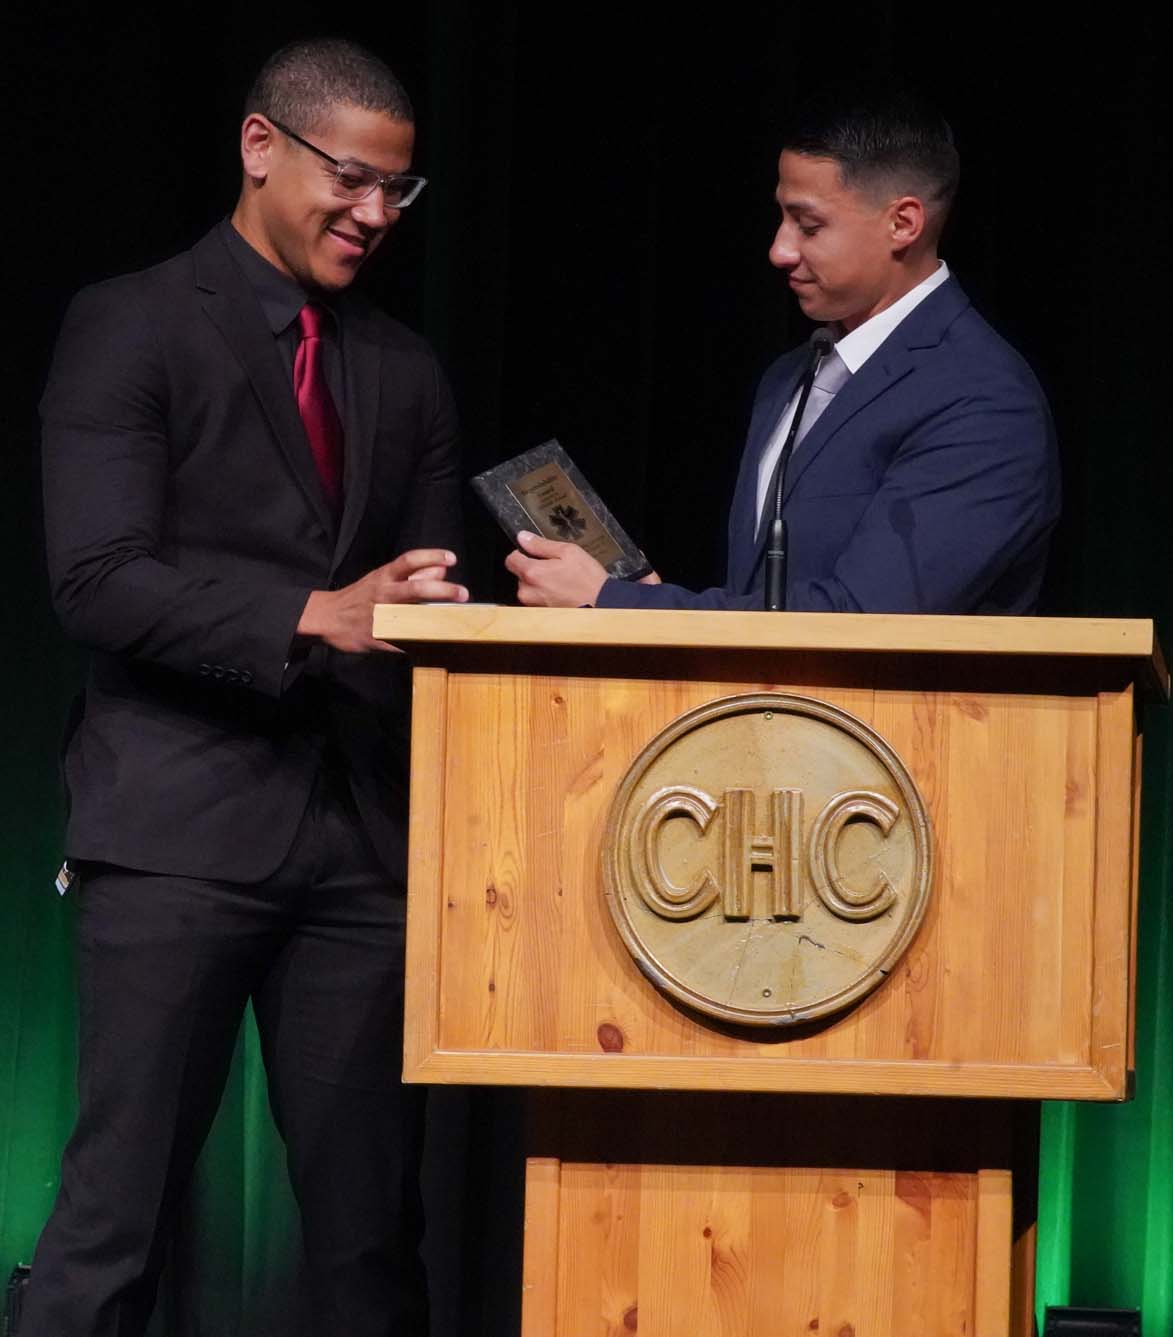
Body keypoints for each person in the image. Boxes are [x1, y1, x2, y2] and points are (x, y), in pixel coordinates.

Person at [26, 38, 467, 1337]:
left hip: (361, 850)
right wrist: (309, 615)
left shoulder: (405, 370)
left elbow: (414, 598)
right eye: (351, 178)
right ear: (259, 146)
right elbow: (97, 579)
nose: (374, 213)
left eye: (398, 189)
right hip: (178, 829)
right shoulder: (133, 322)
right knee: (115, 1222)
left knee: (373, 1244)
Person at [506, 88, 1060, 613]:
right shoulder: (790, 374)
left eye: (809, 225)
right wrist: (649, 605)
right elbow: (769, 607)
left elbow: (863, 620)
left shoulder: (983, 399)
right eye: (782, 217)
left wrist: (615, 602)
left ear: (903, 223)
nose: (779, 250)